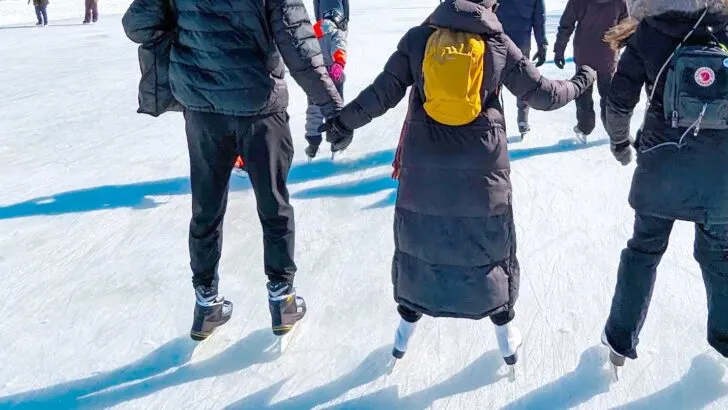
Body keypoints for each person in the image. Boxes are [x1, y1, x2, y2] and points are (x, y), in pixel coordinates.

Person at [320, 0, 595, 368]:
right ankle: (504, 332)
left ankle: (404, 330)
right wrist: (582, 80)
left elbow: (380, 94)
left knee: (421, 243)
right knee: (488, 246)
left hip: (424, 167)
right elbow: (544, 95)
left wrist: (342, 123)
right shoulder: (498, 45)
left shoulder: (420, 38)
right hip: (482, 171)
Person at [122, 0, 343, 341]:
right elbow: (297, 45)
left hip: (203, 110)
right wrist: (331, 106)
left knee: (206, 208)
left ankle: (206, 302)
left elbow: (137, 24)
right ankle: (282, 297)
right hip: (259, 107)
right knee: (274, 205)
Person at [601, 0, 728, 370]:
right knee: (721, 259)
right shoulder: (724, 26)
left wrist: (620, 143)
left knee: (643, 251)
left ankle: (619, 345)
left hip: (661, 166)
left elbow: (619, 101)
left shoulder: (647, 32)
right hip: (721, 176)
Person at [554, 0, 628, 140]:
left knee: (583, 93)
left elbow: (566, 24)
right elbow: (625, 26)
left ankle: (584, 127)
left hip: (584, 54)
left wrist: (559, 49)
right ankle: (613, 130)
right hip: (608, 54)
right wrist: (618, 44)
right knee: (608, 94)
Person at [495, 0, 548, 137]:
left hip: (497, 41)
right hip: (521, 44)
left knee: (494, 83)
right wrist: (542, 44)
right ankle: (523, 121)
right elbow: (539, 19)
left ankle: (496, 124)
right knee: (523, 83)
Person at [304, 0, 349, 160]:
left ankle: (313, 142)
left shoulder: (311, 32)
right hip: (331, 75)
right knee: (335, 108)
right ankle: (337, 141)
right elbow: (339, 44)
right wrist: (338, 62)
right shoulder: (334, 31)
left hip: (316, 75)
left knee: (315, 109)